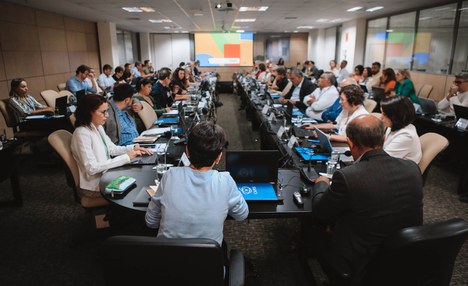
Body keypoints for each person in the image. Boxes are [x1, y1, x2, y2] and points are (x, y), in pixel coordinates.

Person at [310, 114, 423, 285]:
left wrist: (321, 184)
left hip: (361, 259)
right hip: (404, 253)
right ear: (384, 139)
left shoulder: (348, 176)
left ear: (350, 142)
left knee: (318, 227)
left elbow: (320, 212)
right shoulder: (412, 168)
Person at [145, 121, 249, 246]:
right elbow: (242, 214)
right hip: (207, 262)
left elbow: (151, 222)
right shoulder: (225, 181)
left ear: (187, 151)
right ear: (219, 157)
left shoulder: (170, 175)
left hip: (168, 260)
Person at [71, 94, 152, 198]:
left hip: (106, 176)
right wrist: (126, 157)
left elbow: (112, 149)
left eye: (107, 111)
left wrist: (133, 148)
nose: (107, 115)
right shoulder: (81, 133)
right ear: (89, 112)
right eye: (103, 112)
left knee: (141, 179)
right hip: (94, 185)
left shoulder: (97, 127)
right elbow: (92, 168)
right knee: (138, 188)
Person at [304, 84, 368, 142]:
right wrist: (314, 126)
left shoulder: (362, 116)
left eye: (342, 99)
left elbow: (352, 138)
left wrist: (328, 136)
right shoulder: (346, 109)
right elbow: (336, 125)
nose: (340, 102)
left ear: (352, 101)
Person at [380, 96, 422, 163]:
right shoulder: (394, 125)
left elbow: (383, 161)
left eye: (385, 114)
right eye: (381, 112)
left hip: (400, 170)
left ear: (396, 116)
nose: (381, 117)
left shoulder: (406, 136)